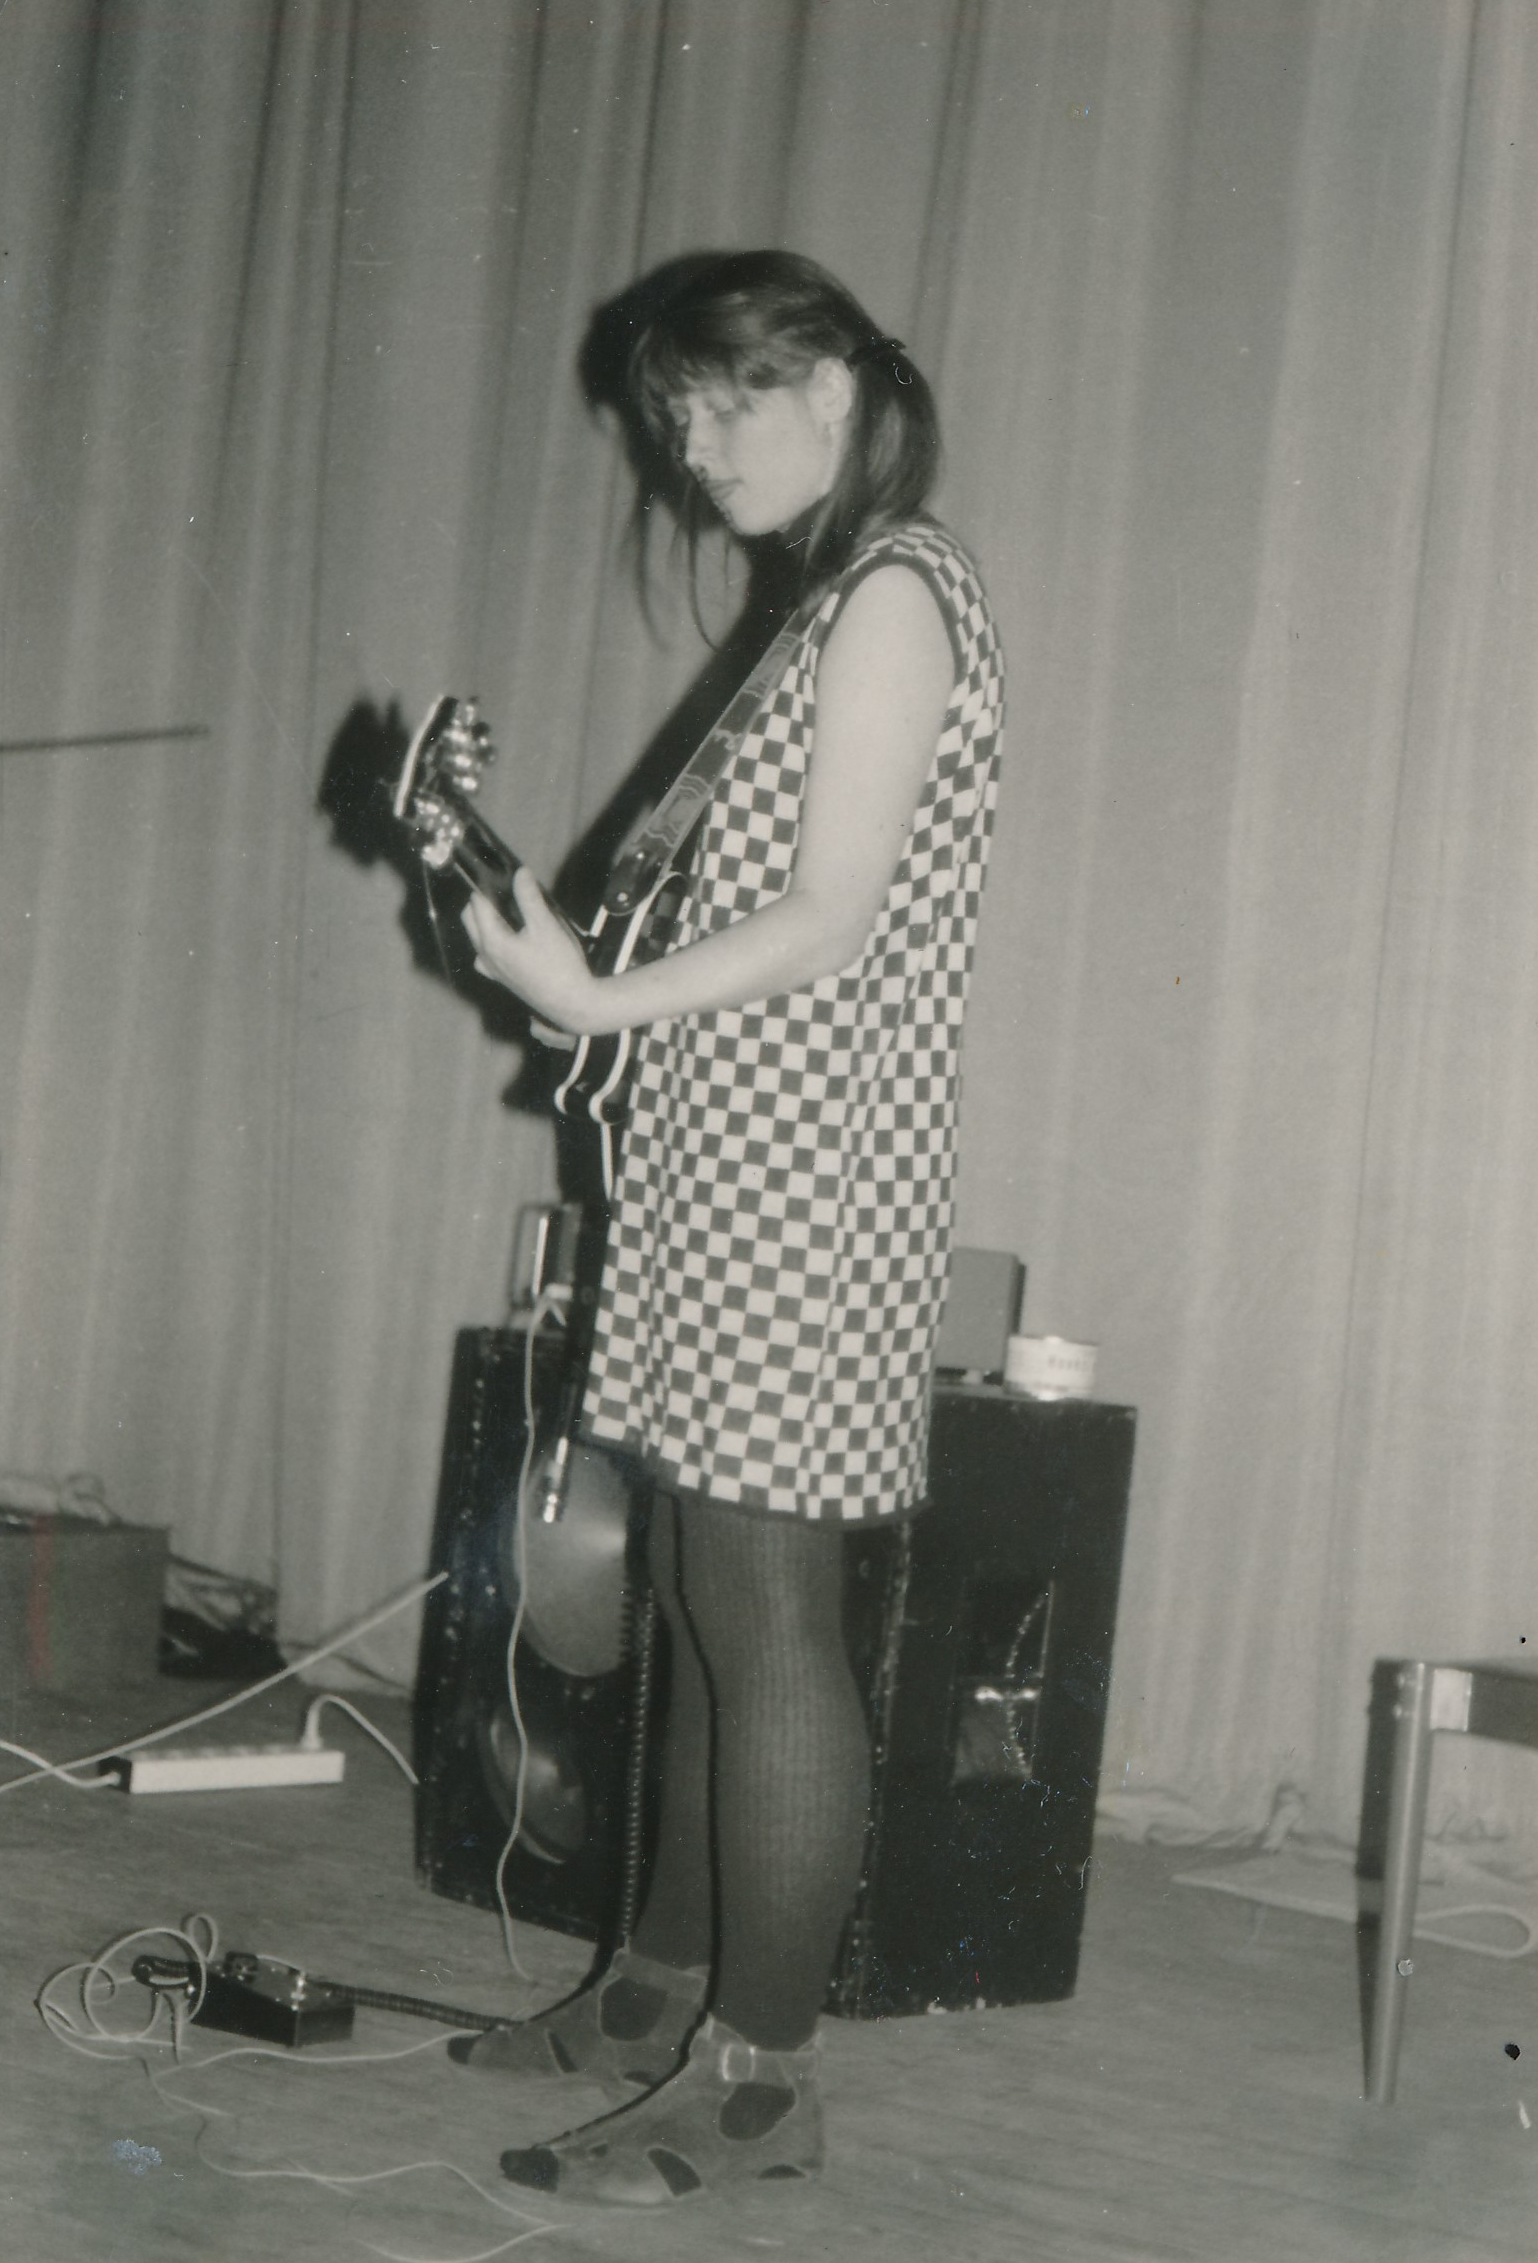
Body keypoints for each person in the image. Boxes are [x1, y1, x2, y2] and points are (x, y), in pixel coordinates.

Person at [452, 248, 1005, 2207]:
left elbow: (831, 919)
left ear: (835, 387)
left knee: (765, 1620)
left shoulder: (894, 597)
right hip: (728, 1164)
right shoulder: (826, 608)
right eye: (672, 418)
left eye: (722, 402)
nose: (691, 447)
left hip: (811, 1181)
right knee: (699, 1595)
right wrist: (576, 969)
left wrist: (596, 996)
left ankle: (763, 2088)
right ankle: (653, 1994)